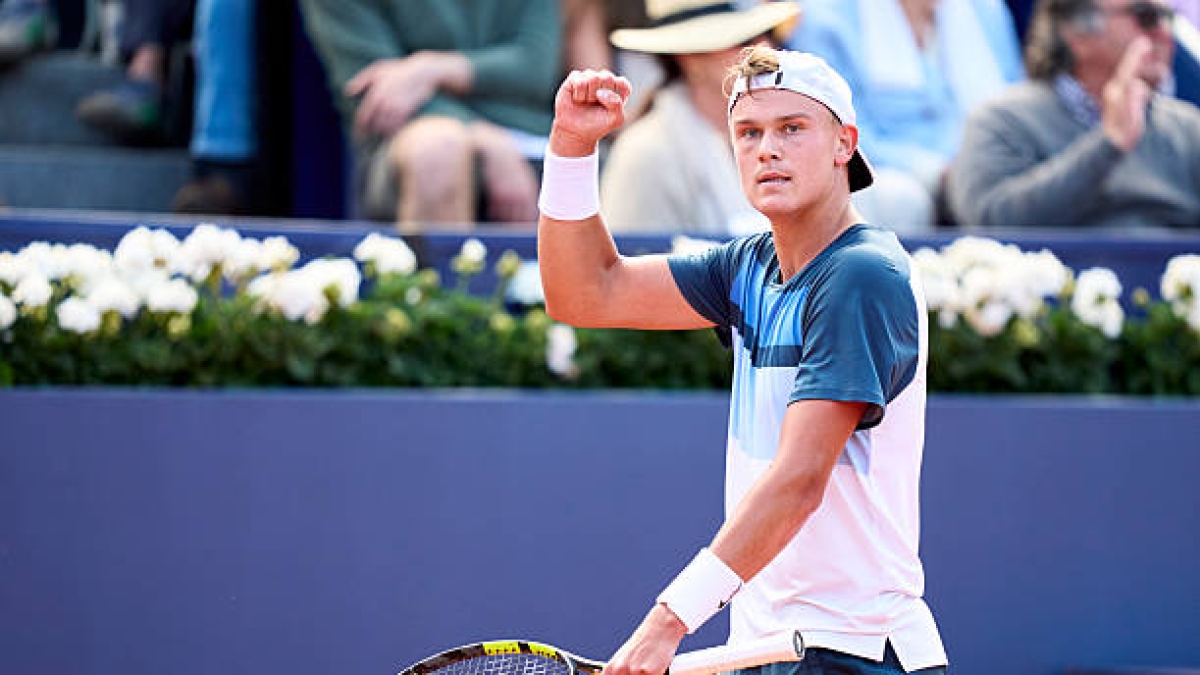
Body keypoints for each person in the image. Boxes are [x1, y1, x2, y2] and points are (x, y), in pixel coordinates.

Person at [538, 45, 947, 675]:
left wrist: (666, 622)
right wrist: (570, 145)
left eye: (792, 129)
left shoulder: (862, 275)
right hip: (764, 648)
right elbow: (585, 293)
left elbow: (800, 478)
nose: (767, 149)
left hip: (855, 653)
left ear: (845, 144)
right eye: (749, 133)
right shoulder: (747, 266)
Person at [298, 0, 561, 229]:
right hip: (408, 139)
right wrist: (480, 134)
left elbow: (536, 68)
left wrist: (431, 69)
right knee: (439, 149)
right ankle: (438, 287)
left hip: (535, 140)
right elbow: (373, 96)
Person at [947, 0, 1200, 229]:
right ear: (1077, 30)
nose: (1165, 33)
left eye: (1170, 18)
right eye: (1147, 16)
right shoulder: (1002, 120)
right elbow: (986, 220)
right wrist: (1108, 144)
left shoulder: (1188, 128)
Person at [787, 0, 1024, 231]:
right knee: (902, 198)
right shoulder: (826, 17)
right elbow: (837, 129)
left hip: (984, 167)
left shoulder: (988, 9)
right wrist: (936, 172)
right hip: (896, 174)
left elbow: (1015, 106)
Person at [599, 0, 799, 237]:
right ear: (689, 58)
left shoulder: (791, 135)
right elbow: (632, 264)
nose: (765, 48)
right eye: (743, 42)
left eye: (767, 35)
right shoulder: (646, 154)